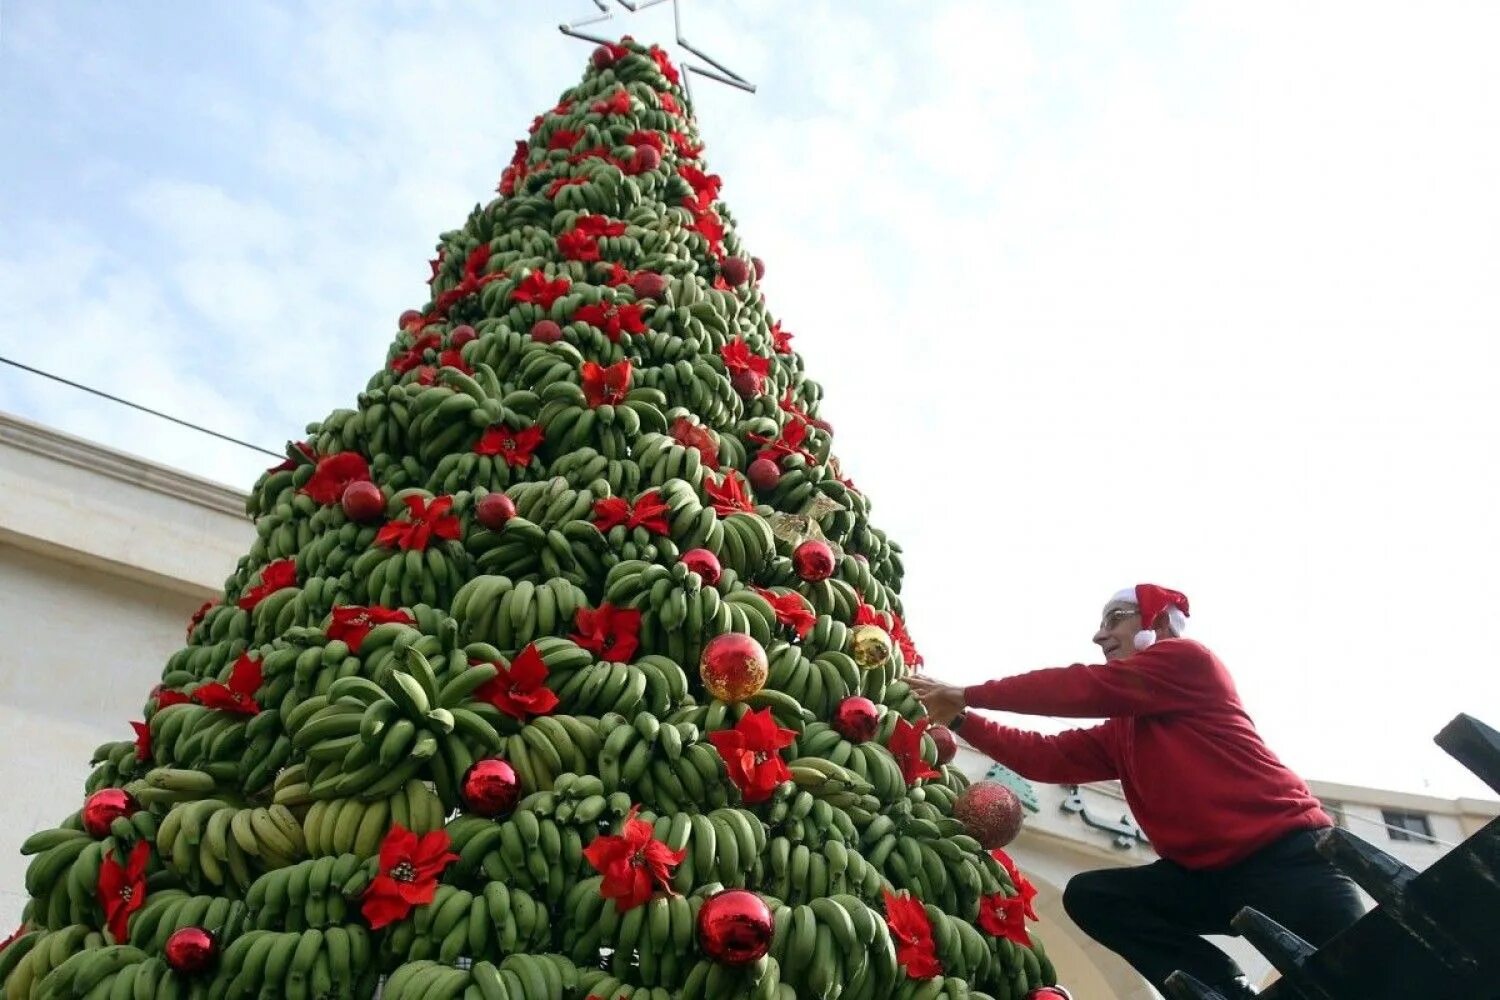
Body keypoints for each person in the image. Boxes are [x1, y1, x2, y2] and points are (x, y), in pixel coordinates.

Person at [908, 584, 1364, 999]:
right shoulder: (1122, 731)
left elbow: (1079, 688)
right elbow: (1046, 757)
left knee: (1374, 975)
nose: (1099, 636)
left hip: (1290, 864)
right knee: (1096, 896)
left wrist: (968, 694)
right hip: (1207, 881)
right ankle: (1223, 990)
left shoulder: (1188, 661)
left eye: (1115, 619)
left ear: (1160, 623)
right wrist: (962, 719)